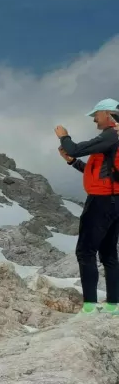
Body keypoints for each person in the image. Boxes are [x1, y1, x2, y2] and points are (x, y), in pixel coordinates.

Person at [57, 98, 119, 314]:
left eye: (96, 114)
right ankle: (113, 305)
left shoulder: (110, 136)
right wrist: (72, 162)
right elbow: (100, 173)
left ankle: (90, 309)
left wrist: (63, 135)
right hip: (114, 200)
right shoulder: (113, 139)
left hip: (101, 201)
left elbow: (73, 147)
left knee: (85, 251)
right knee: (109, 253)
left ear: (108, 114)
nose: (94, 119)